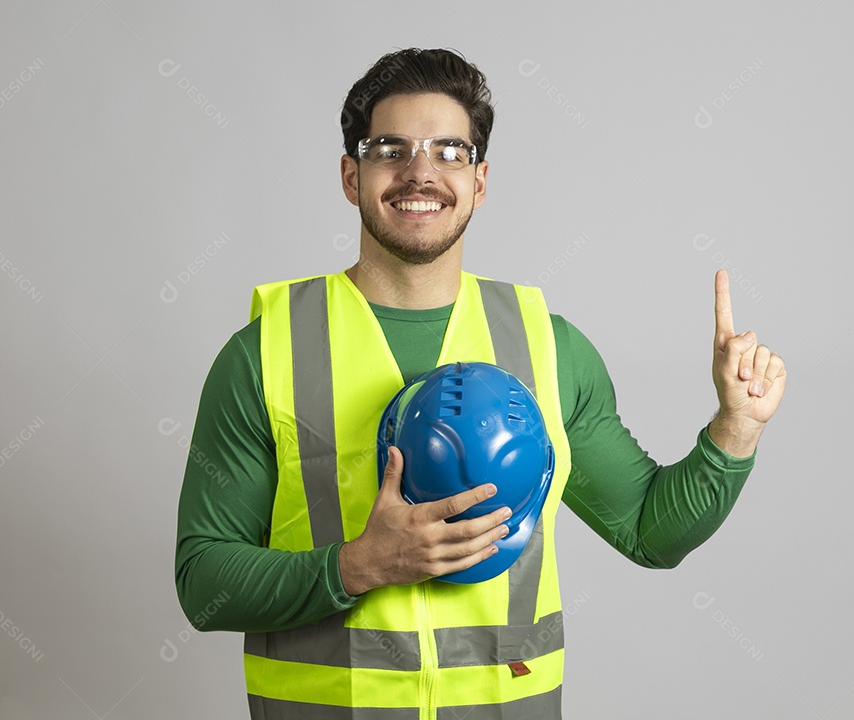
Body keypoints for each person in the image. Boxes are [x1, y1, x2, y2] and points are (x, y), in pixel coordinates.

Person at [175, 47, 786, 719]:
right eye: (390, 150)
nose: (420, 172)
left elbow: (649, 532)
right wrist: (357, 566)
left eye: (450, 152)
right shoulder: (266, 351)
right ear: (351, 176)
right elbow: (203, 579)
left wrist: (737, 426)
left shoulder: (548, 347)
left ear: (481, 180)